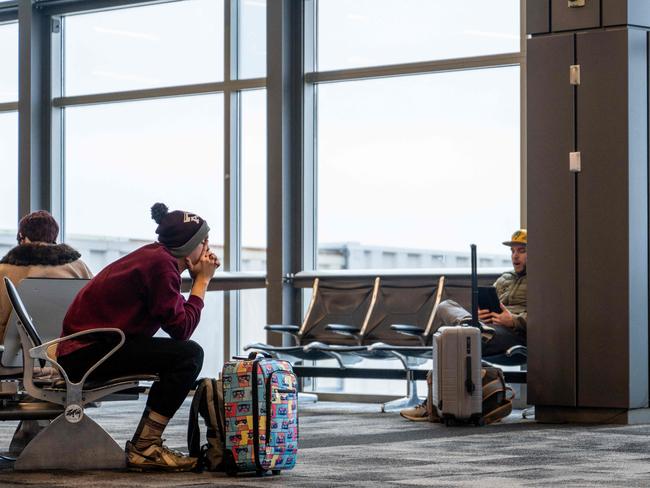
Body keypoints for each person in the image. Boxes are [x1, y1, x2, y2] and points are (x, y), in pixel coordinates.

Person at [57, 203, 219, 472]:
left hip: (86, 349)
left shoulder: (155, 259)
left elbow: (177, 319)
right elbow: (182, 329)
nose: (208, 250)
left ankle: (147, 442)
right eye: (204, 242)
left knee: (183, 354)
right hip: (87, 352)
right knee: (189, 355)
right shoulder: (162, 266)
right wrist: (201, 284)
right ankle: (146, 445)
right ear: (188, 246)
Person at [400, 229, 527, 422]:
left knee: (449, 342)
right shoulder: (504, 279)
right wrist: (480, 315)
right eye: (512, 251)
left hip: (513, 334)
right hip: (489, 328)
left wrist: (513, 320)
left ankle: (431, 406)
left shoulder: (543, 281)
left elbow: (547, 317)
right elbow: (491, 304)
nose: (515, 256)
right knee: (445, 306)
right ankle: (471, 327)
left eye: (521, 250)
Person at [0, 210, 93, 342]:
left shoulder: (4, 270)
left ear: (22, 237)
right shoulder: (79, 268)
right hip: (66, 351)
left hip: (15, 355)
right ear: (54, 237)